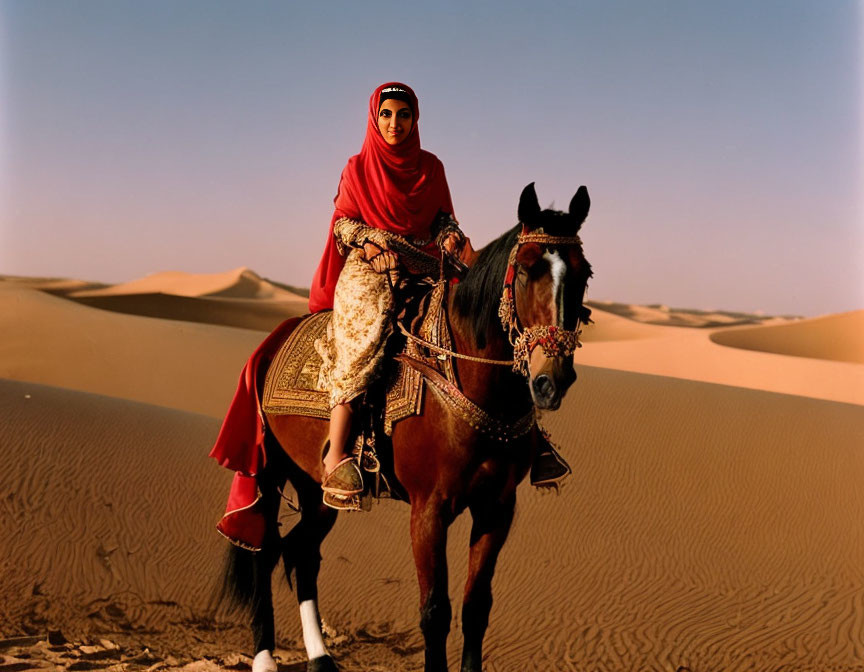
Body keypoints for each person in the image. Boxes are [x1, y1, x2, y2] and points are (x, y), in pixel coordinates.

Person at [308, 82, 470, 507]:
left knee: (476, 319)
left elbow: (444, 219)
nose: (394, 123)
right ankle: (337, 455)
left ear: (415, 120)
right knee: (365, 333)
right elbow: (343, 221)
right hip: (371, 264)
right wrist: (369, 244)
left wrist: (450, 237)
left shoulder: (431, 167)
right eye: (386, 115)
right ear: (373, 119)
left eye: (403, 115)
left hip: (421, 262)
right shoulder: (356, 167)